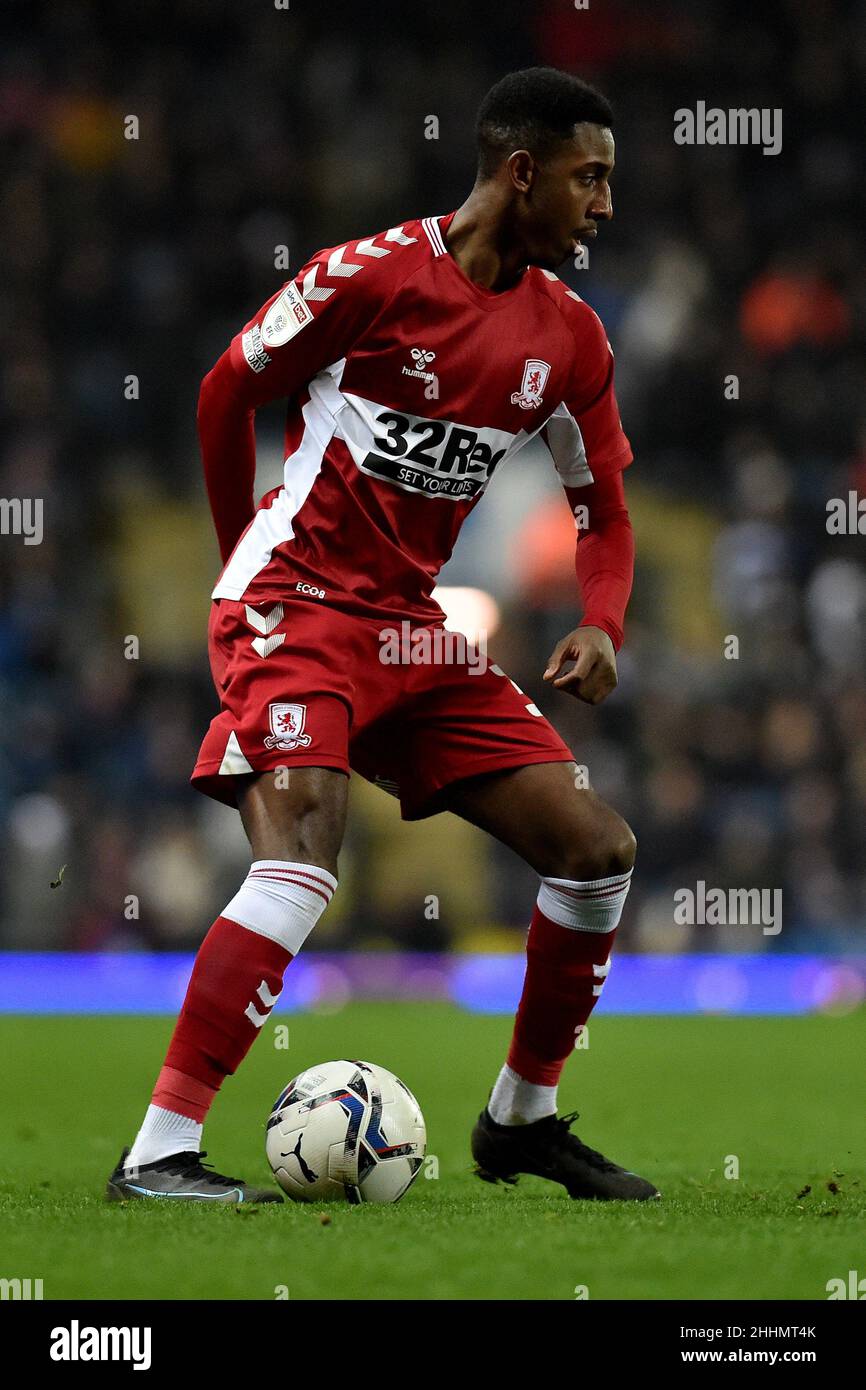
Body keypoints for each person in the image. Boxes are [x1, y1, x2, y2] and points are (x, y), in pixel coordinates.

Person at [107, 66, 659, 1204]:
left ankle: (520, 1121)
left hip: (407, 630)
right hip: (295, 602)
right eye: (588, 177)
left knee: (596, 851)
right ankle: (157, 1150)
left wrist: (602, 622)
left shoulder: (570, 340)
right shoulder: (367, 279)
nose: (604, 204)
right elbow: (225, 394)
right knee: (302, 854)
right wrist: (236, 565)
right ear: (520, 172)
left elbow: (604, 509)